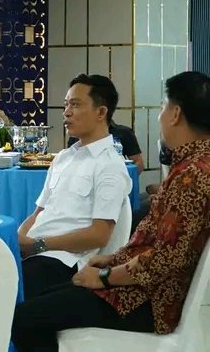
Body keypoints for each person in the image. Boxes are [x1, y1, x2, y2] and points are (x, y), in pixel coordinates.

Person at [11, 71, 210, 352]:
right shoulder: (191, 165)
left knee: (25, 317)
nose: (160, 116)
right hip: (138, 286)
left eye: (162, 107)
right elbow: (158, 246)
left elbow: (165, 259)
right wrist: (111, 260)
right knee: (36, 300)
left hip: (144, 299)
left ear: (175, 114)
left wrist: (105, 277)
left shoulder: (192, 175)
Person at [17, 74, 131, 300]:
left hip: (65, 261)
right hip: (36, 253)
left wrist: (37, 245)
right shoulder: (63, 158)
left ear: (101, 112)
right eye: (66, 104)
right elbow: (38, 213)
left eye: (75, 105)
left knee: (2, 287)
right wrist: (18, 240)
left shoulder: (110, 165)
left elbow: (99, 235)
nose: (67, 112)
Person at [67, 120, 145, 173]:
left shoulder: (124, 132)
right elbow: (70, 162)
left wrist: (124, 180)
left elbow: (138, 163)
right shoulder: (77, 135)